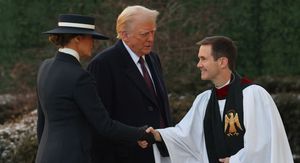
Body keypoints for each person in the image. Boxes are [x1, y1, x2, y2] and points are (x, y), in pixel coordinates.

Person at [146, 36, 294, 163]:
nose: (199, 65)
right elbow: (185, 136)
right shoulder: (204, 101)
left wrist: (235, 161)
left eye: (203, 59)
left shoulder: (253, 95)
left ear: (222, 62)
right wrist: (158, 135)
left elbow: (263, 144)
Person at [36, 14, 154, 163]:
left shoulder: (45, 67)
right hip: (73, 157)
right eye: (90, 38)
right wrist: (140, 133)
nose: (93, 43)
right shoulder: (80, 76)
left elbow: (42, 121)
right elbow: (104, 125)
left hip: (45, 155)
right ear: (77, 39)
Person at [87, 5, 172, 163]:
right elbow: (99, 122)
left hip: (161, 151)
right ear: (124, 35)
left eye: (153, 32)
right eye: (144, 34)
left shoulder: (153, 59)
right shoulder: (104, 64)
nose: (151, 39)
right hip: (126, 156)